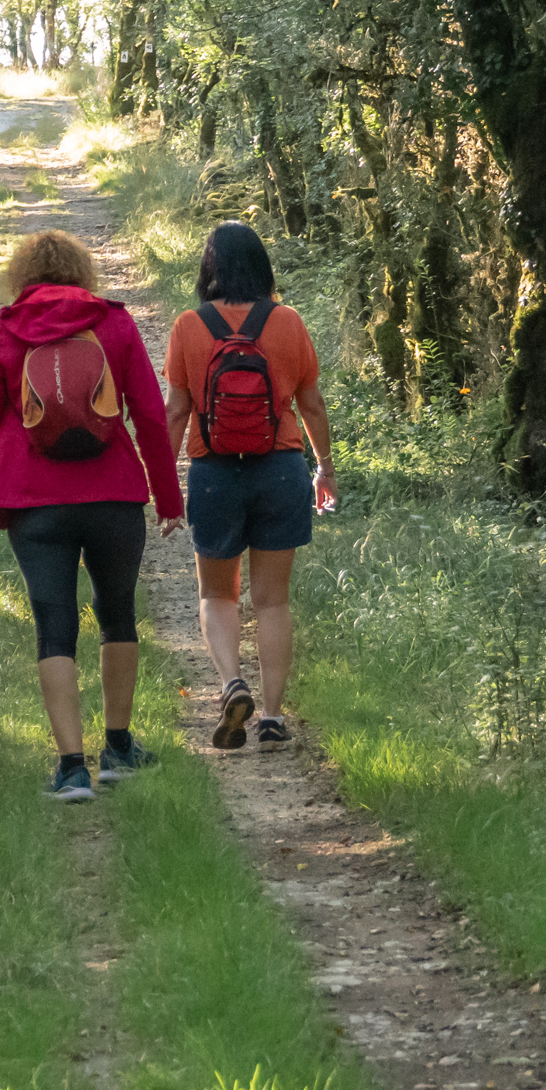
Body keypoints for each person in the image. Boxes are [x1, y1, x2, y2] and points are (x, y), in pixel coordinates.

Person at [0, 230, 183, 803]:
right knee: (117, 613)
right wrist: (167, 496)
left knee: (53, 625)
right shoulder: (113, 324)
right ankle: (117, 748)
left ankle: (70, 768)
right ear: (84, 273)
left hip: (35, 501)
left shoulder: (5, 332)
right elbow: (151, 418)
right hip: (113, 496)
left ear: (21, 276)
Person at [163, 221, 333, 751]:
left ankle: (231, 683)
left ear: (207, 270)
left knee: (218, 593)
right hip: (280, 470)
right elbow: (311, 404)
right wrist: (324, 466)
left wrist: (165, 482)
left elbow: (175, 411)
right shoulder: (287, 323)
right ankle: (274, 717)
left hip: (214, 473)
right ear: (263, 268)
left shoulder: (189, 326)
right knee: (272, 601)